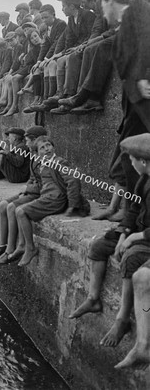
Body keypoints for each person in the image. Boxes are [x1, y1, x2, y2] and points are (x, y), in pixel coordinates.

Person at [70, 133, 150, 354]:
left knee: (130, 257)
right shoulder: (144, 178)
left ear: (143, 161)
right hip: (138, 231)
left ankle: (122, 319)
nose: (130, 164)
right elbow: (134, 209)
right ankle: (93, 298)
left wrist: (136, 237)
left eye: (132, 159)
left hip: (146, 237)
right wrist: (124, 232)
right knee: (98, 246)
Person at [93, 0, 150, 223]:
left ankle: (133, 216)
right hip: (133, 101)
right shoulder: (124, 24)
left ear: (109, 0)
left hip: (143, 92)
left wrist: (144, 74)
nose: (104, 14)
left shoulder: (138, 8)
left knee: (128, 155)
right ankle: (132, 213)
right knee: (127, 155)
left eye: (103, 7)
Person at [15, 136, 90, 267]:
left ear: (53, 147)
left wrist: (72, 205)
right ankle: (23, 245)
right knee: (17, 209)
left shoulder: (59, 162)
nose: (46, 149)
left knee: (21, 212)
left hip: (56, 199)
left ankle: (30, 248)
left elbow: (73, 180)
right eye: (42, 148)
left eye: (48, 145)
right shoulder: (42, 164)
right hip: (46, 197)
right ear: (38, 153)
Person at [0, 126, 47, 265]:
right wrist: (26, 188)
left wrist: (29, 189)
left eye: (27, 140)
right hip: (31, 190)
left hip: (38, 194)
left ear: (36, 140)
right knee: (2, 205)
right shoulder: (34, 155)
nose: (26, 143)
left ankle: (11, 249)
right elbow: (32, 178)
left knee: (12, 207)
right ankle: (2, 246)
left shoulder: (44, 157)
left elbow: (45, 184)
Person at [23, 4, 66, 113]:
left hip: (62, 52)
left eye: (46, 17)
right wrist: (39, 61)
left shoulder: (60, 24)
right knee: (44, 66)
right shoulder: (47, 28)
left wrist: (48, 58)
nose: (44, 20)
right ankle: (45, 100)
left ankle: (50, 98)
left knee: (50, 65)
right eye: (42, 18)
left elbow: (57, 43)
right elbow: (45, 45)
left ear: (53, 15)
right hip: (54, 54)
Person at [2, 28, 42, 117]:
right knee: (11, 78)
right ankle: (11, 105)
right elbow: (22, 60)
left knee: (14, 78)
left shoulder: (23, 46)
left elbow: (30, 60)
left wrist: (25, 58)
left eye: (35, 36)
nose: (34, 39)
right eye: (32, 38)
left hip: (31, 66)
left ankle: (14, 105)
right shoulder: (30, 46)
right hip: (28, 66)